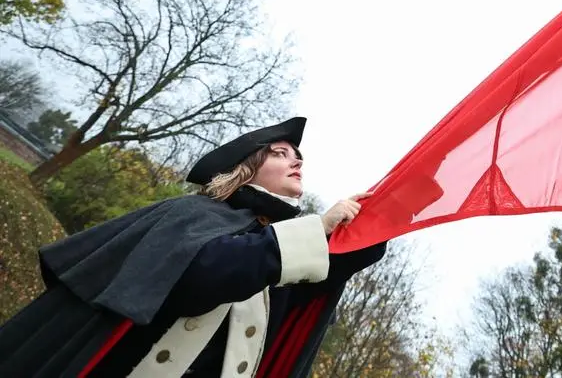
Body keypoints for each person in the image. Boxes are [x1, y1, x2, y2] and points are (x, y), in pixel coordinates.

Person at [0, 116, 388, 377]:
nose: (297, 162)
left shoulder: (283, 243)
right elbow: (204, 274)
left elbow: (300, 299)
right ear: (246, 165)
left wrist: (370, 228)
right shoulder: (191, 213)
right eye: (281, 153)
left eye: (299, 158)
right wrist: (315, 229)